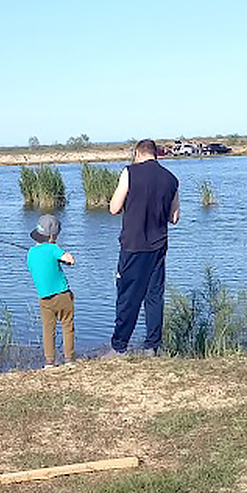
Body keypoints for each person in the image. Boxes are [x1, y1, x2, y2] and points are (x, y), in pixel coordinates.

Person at [108, 139, 179, 354]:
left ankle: (119, 347)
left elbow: (113, 208)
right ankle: (152, 346)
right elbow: (174, 217)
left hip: (133, 245)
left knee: (128, 296)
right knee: (154, 296)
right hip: (158, 246)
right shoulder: (171, 178)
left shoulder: (129, 172)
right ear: (155, 154)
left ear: (138, 154)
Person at [26, 214, 76, 368]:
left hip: (44, 298)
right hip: (62, 294)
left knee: (48, 330)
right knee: (67, 326)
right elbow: (70, 259)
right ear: (53, 236)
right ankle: (69, 360)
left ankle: (49, 362)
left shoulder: (30, 253)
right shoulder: (53, 248)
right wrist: (62, 258)